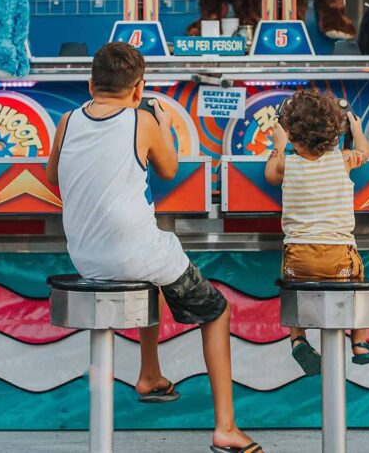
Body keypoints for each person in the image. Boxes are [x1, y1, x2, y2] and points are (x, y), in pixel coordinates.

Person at [46, 42, 261, 453]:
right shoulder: (139, 121)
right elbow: (170, 167)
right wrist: (159, 124)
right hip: (134, 252)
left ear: (91, 84)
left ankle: (150, 374)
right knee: (216, 310)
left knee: (152, 274)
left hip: (85, 257)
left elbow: (52, 174)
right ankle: (226, 428)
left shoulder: (68, 120)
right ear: (139, 89)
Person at [264, 88, 369, 376]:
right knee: (357, 289)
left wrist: (279, 146)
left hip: (299, 257)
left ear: (290, 133)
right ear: (334, 133)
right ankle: (360, 342)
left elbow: (270, 174)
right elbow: (366, 152)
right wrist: (357, 128)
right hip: (339, 256)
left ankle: (298, 339)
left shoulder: (286, 164)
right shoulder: (342, 160)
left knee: (293, 291)